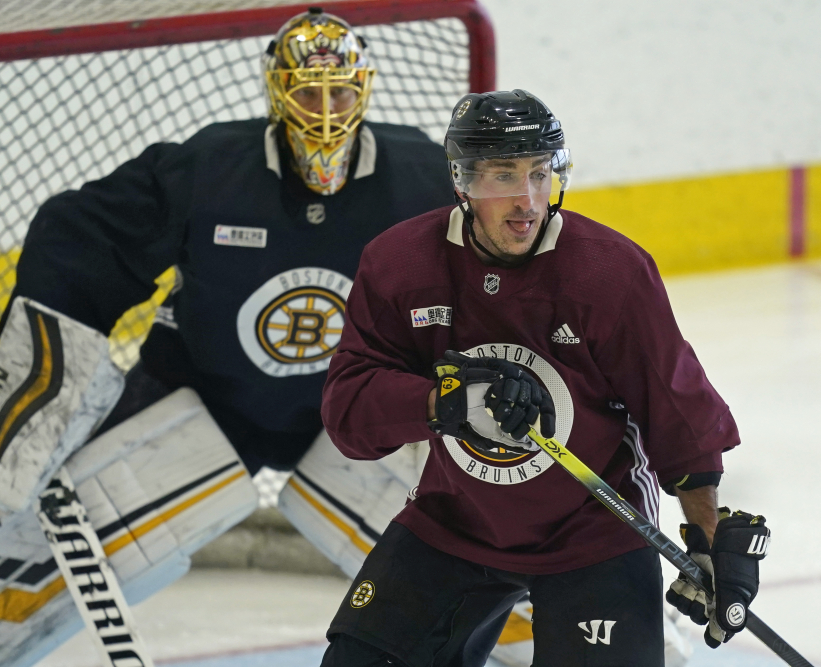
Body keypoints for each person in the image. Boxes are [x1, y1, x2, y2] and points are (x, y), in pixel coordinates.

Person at [319, 89, 771, 666]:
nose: (526, 200)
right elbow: (349, 414)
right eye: (503, 176)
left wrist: (706, 537)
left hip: (594, 535)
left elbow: (676, 412)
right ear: (462, 183)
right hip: (451, 525)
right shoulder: (400, 265)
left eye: (540, 173)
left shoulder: (608, 272)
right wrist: (445, 402)